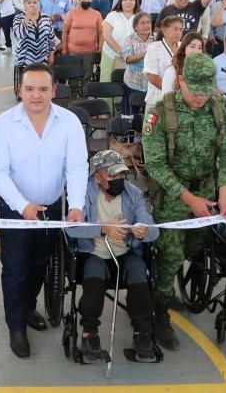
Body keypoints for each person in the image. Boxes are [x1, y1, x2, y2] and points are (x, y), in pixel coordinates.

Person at [0, 63, 88, 359]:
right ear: (20, 90)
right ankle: (16, 326)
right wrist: (23, 206)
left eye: (43, 89)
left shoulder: (69, 122)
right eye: (29, 89)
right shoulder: (4, 124)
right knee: (15, 267)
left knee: (39, 263)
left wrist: (77, 205)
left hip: (51, 207)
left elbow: (77, 167)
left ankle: (28, 306)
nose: (36, 95)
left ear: (53, 91)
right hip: (14, 208)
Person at [141, 53, 226, 351]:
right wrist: (187, 198)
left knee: (195, 248)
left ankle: (175, 285)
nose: (200, 97)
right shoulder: (160, 112)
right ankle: (159, 314)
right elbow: (155, 164)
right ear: (181, 80)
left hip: (209, 196)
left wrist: (223, 194)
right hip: (173, 197)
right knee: (169, 256)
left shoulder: (221, 108)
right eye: (195, 91)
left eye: (206, 91)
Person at [66, 150, 159, 363]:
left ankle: (142, 333)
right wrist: (103, 229)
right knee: (95, 271)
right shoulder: (84, 193)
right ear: (98, 177)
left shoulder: (133, 193)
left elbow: (154, 229)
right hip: (94, 253)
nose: (119, 180)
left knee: (137, 269)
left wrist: (144, 231)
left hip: (124, 252)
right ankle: (89, 334)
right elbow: (70, 228)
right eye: (112, 176)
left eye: (121, 175)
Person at [142, 16, 184, 113]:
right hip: (157, 99)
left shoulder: (183, 46)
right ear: (165, 30)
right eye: (175, 29)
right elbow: (153, 78)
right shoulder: (154, 47)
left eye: (181, 29)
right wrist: (173, 93)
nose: (178, 32)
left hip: (181, 100)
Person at [63, 0, 104, 86]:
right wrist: (65, 48)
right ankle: (74, 94)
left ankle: (87, 95)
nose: (86, 0)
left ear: (91, 0)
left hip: (89, 51)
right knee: (74, 75)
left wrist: (101, 45)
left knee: (88, 75)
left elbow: (101, 32)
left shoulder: (96, 14)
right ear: (79, 0)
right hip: (73, 50)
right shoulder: (71, 13)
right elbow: (65, 31)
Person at [101, 0, 140, 82]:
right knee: (109, 87)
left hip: (134, 59)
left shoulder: (140, 16)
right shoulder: (112, 15)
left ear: (136, 1)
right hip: (111, 56)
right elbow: (107, 36)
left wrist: (131, 56)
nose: (128, 2)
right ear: (120, 1)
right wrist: (122, 53)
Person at [156, 0, 221, 37]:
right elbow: (157, 31)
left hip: (191, 47)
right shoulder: (166, 11)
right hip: (173, 48)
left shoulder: (196, 6)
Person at [13, 0, 56, 69]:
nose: (32, 5)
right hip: (25, 58)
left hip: (43, 57)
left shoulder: (46, 18)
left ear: (39, 4)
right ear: (24, 5)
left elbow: (51, 39)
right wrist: (27, 17)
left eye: (35, 2)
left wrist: (51, 55)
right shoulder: (18, 18)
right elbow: (19, 35)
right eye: (29, 2)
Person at [122, 13, 153, 113]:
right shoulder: (130, 39)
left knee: (150, 118)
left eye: (148, 22)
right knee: (131, 116)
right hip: (133, 84)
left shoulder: (157, 39)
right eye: (142, 23)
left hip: (151, 85)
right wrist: (146, 53)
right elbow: (128, 59)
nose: (146, 25)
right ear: (135, 26)